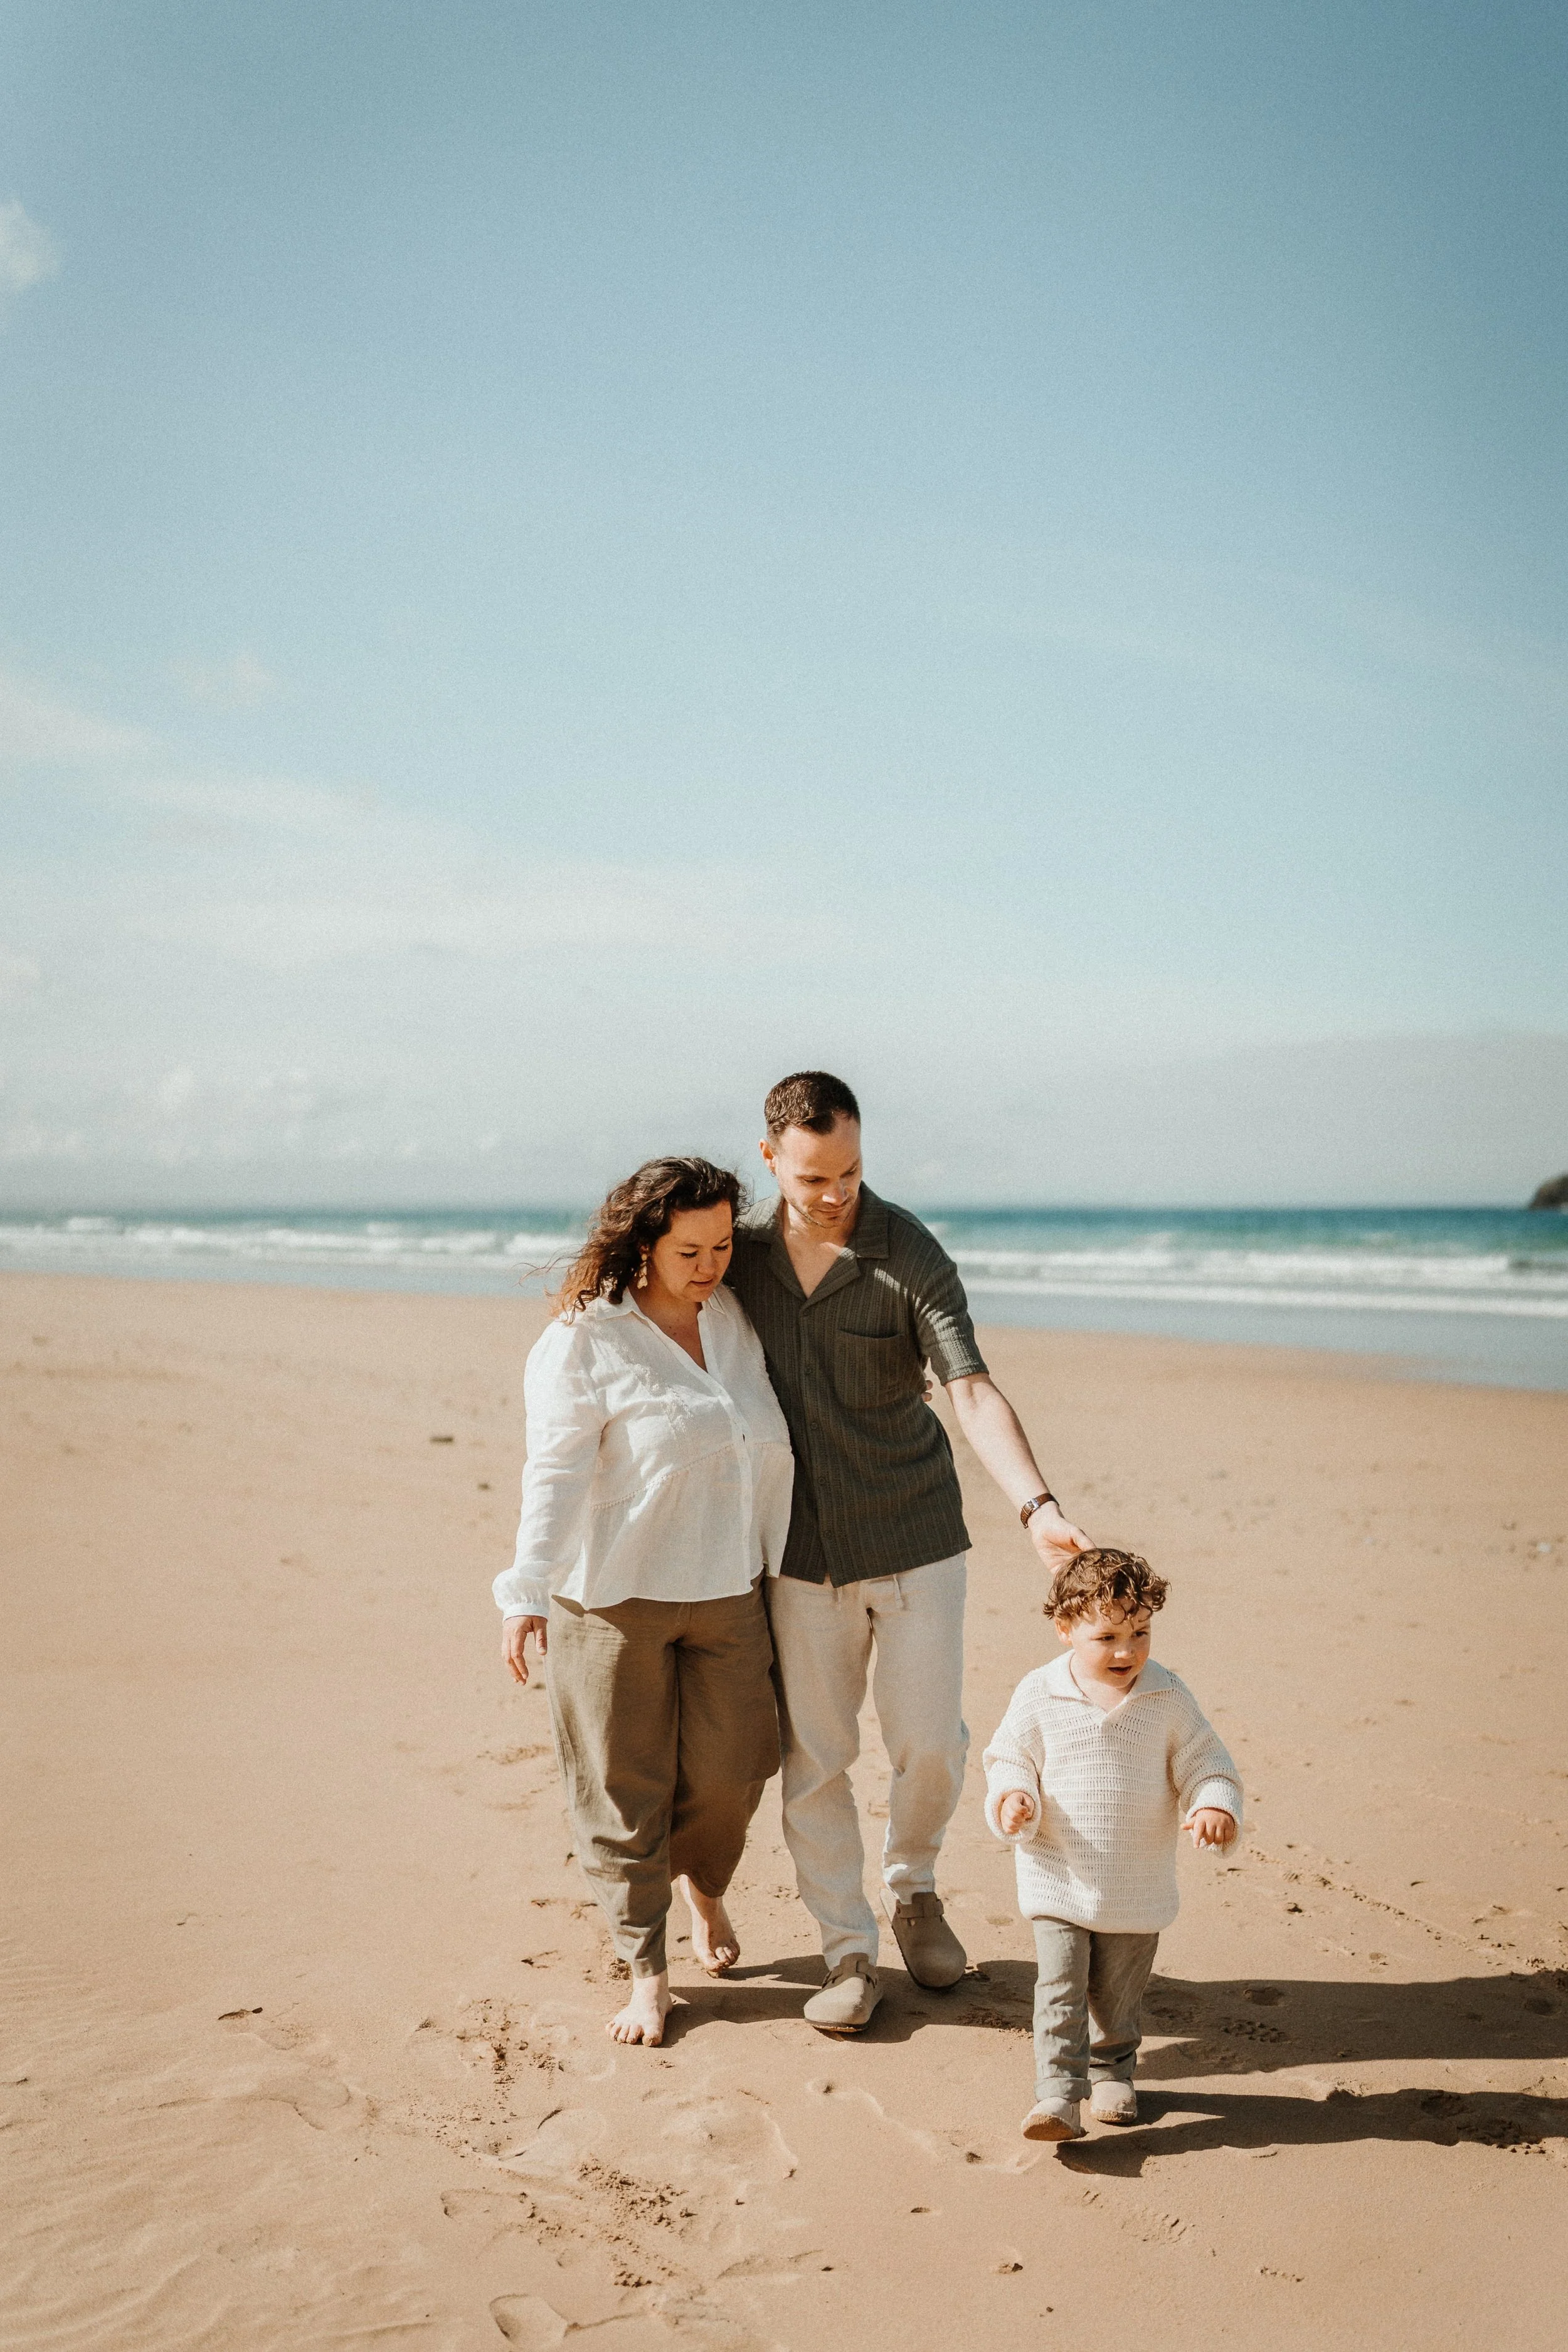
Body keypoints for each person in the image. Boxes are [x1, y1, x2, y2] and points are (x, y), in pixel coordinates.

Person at [726, 1069, 1090, 2035]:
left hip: (917, 1534)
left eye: (848, 1169)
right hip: (799, 1551)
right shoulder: (742, 1259)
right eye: (812, 1178)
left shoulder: (908, 1248)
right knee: (817, 1756)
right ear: (772, 1161)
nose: (836, 1192)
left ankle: (914, 1887)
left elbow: (968, 1386)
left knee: (930, 1743)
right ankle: (848, 1948)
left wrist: (1036, 1507)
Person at [495, 1157, 792, 2049]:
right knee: (624, 1789)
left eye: (723, 1244)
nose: (710, 1264)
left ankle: (704, 1884)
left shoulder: (735, 1318)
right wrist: (526, 1589)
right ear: (643, 1244)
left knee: (739, 1763)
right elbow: (553, 1471)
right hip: (612, 1597)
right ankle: (647, 1970)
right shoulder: (585, 1340)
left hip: (729, 1586)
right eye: (690, 1248)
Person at [983, 1548, 1242, 2143]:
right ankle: (1056, 2095)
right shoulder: (1040, 1691)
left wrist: (1213, 1805)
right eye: (1108, 1636)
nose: (1127, 1651)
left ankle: (1113, 2070)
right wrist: (1014, 1797)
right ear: (1066, 1628)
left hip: (1135, 1883)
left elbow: (1209, 1763)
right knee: (1059, 1987)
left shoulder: (1167, 1697)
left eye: (1141, 1632)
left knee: (1118, 1996)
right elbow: (1007, 1759)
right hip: (1057, 1874)